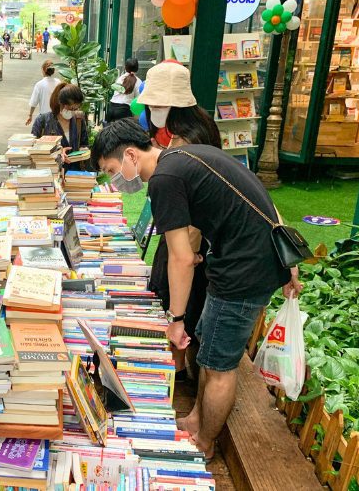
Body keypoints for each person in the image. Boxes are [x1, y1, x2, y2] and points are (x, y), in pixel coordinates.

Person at [91, 117, 302, 462]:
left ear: (130, 155)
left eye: (112, 169)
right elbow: (257, 195)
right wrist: (288, 258)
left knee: (219, 366)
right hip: (246, 259)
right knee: (208, 351)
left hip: (244, 270)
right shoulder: (185, 156)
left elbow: (180, 257)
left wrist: (176, 318)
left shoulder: (164, 179)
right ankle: (195, 420)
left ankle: (205, 443)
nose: (116, 179)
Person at [133, 61, 223, 384]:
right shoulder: (199, 127)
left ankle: (176, 372)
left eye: (156, 105)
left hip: (188, 236)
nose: (152, 111)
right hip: (184, 233)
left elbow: (193, 212)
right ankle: (176, 365)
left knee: (175, 296)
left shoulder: (189, 143)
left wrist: (188, 255)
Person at [30, 82, 89, 171]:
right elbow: (33, 148)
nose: (72, 112)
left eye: (75, 109)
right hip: (50, 172)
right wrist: (57, 152)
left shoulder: (78, 120)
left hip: (74, 174)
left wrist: (83, 151)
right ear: (60, 103)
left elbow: (84, 143)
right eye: (70, 109)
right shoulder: (43, 120)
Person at [106, 58, 142, 123]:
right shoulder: (139, 82)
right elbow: (137, 101)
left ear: (125, 67)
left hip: (111, 109)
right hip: (124, 111)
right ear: (137, 68)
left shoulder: (120, 78)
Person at [26, 60, 60, 125]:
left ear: (43, 70)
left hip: (44, 118)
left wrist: (30, 115)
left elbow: (33, 103)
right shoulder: (58, 82)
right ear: (53, 71)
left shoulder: (39, 84)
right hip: (58, 117)